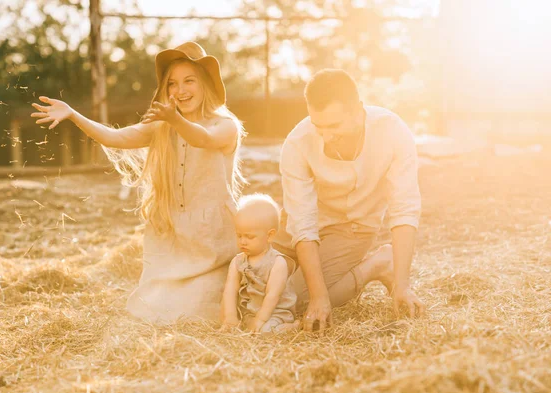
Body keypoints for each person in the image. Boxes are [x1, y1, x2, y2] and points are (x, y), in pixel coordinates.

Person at [30, 42, 246, 324]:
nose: (180, 90)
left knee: (199, 313)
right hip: (173, 237)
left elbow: (202, 140)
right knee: (148, 312)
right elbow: (115, 137)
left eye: (189, 81)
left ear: (205, 84)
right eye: (172, 84)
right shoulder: (162, 125)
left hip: (212, 243)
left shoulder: (224, 125)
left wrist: (174, 120)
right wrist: (73, 114)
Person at [274, 69, 425, 333]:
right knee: (264, 296)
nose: (325, 135)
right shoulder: (297, 143)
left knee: (294, 303)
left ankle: (379, 264)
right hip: (299, 233)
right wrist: (321, 298)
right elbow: (303, 224)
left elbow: (404, 210)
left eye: (334, 126)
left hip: (353, 229)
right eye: (317, 125)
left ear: (358, 110)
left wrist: (402, 285)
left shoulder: (393, 131)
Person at [220, 194, 300, 333]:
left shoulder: (277, 263)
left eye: (249, 237)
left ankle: (292, 326)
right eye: (239, 235)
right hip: (250, 312)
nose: (243, 241)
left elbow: (272, 295)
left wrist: (260, 321)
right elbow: (230, 290)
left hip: (274, 312)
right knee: (233, 326)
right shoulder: (237, 261)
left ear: (270, 236)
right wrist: (230, 317)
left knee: (265, 331)